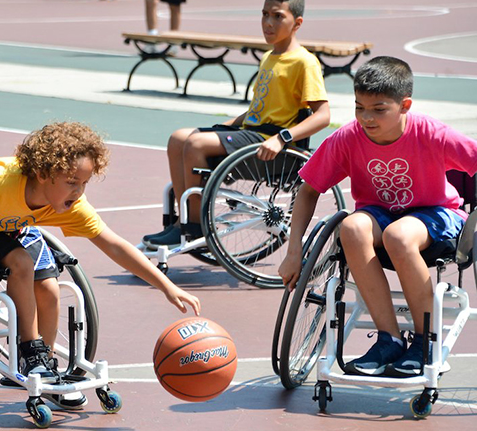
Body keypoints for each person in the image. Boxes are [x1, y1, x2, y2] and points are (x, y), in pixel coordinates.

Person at [0, 122, 201, 409]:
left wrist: (166, 286)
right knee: (21, 262)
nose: (78, 191)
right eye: (72, 182)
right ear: (42, 174)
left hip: (13, 227)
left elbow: (115, 245)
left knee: (50, 288)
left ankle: (41, 365)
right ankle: (30, 349)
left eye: (85, 183)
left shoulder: (68, 205)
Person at [278, 56, 477, 377]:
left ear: (404, 105)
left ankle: (425, 341)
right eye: (359, 107)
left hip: (437, 213)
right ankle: (390, 340)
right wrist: (294, 250)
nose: (366, 118)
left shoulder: (431, 133)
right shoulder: (347, 138)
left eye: (379, 109)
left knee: (399, 236)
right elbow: (309, 190)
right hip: (379, 215)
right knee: (352, 227)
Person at [142, 0, 330, 248]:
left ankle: (195, 226)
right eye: (264, 15)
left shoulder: (303, 62)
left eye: (277, 16)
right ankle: (182, 221)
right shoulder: (268, 57)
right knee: (178, 138)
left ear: (297, 23)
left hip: (272, 143)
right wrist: (225, 126)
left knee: (196, 144)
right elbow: (260, 109)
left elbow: (323, 115)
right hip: (251, 131)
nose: (268, 23)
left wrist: (282, 138)